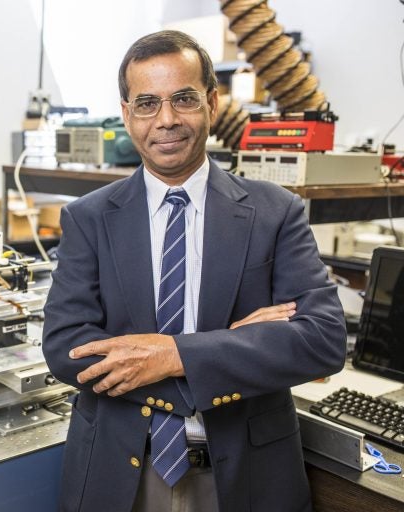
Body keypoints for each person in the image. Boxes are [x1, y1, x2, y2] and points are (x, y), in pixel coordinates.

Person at [42, 30, 346, 512]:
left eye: (182, 99)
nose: (165, 120)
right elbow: (66, 348)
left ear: (211, 101)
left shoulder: (276, 211)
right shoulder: (89, 217)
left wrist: (174, 354)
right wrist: (237, 347)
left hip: (247, 474)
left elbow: (322, 340)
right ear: (126, 114)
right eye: (146, 104)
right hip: (121, 473)